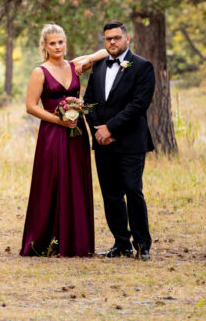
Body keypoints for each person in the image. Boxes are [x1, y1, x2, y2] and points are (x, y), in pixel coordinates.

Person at [19, 24, 105, 257]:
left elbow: (104, 52)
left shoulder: (74, 66)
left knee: (76, 181)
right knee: (53, 181)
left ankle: (77, 240)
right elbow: (30, 107)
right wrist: (59, 121)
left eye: (61, 42)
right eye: (52, 43)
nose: (57, 47)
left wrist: (83, 59)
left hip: (77, 133)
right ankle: (47, 240)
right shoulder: (40, 72)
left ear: (65, 43)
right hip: (53, 134)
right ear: (45, 47)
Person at [83, 19, 156, 260]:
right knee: (110, 194)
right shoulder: (99, 66)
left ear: (127, 39)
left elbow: (138, 104)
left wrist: (110, 128)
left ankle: (142, 243)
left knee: (133, 190)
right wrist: (98, 130)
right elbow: (88, 101)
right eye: (108, 39)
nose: (112, 42)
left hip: (130, 141)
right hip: (102, 142)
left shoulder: (143, 67)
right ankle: (120, 242)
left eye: (116, 37)